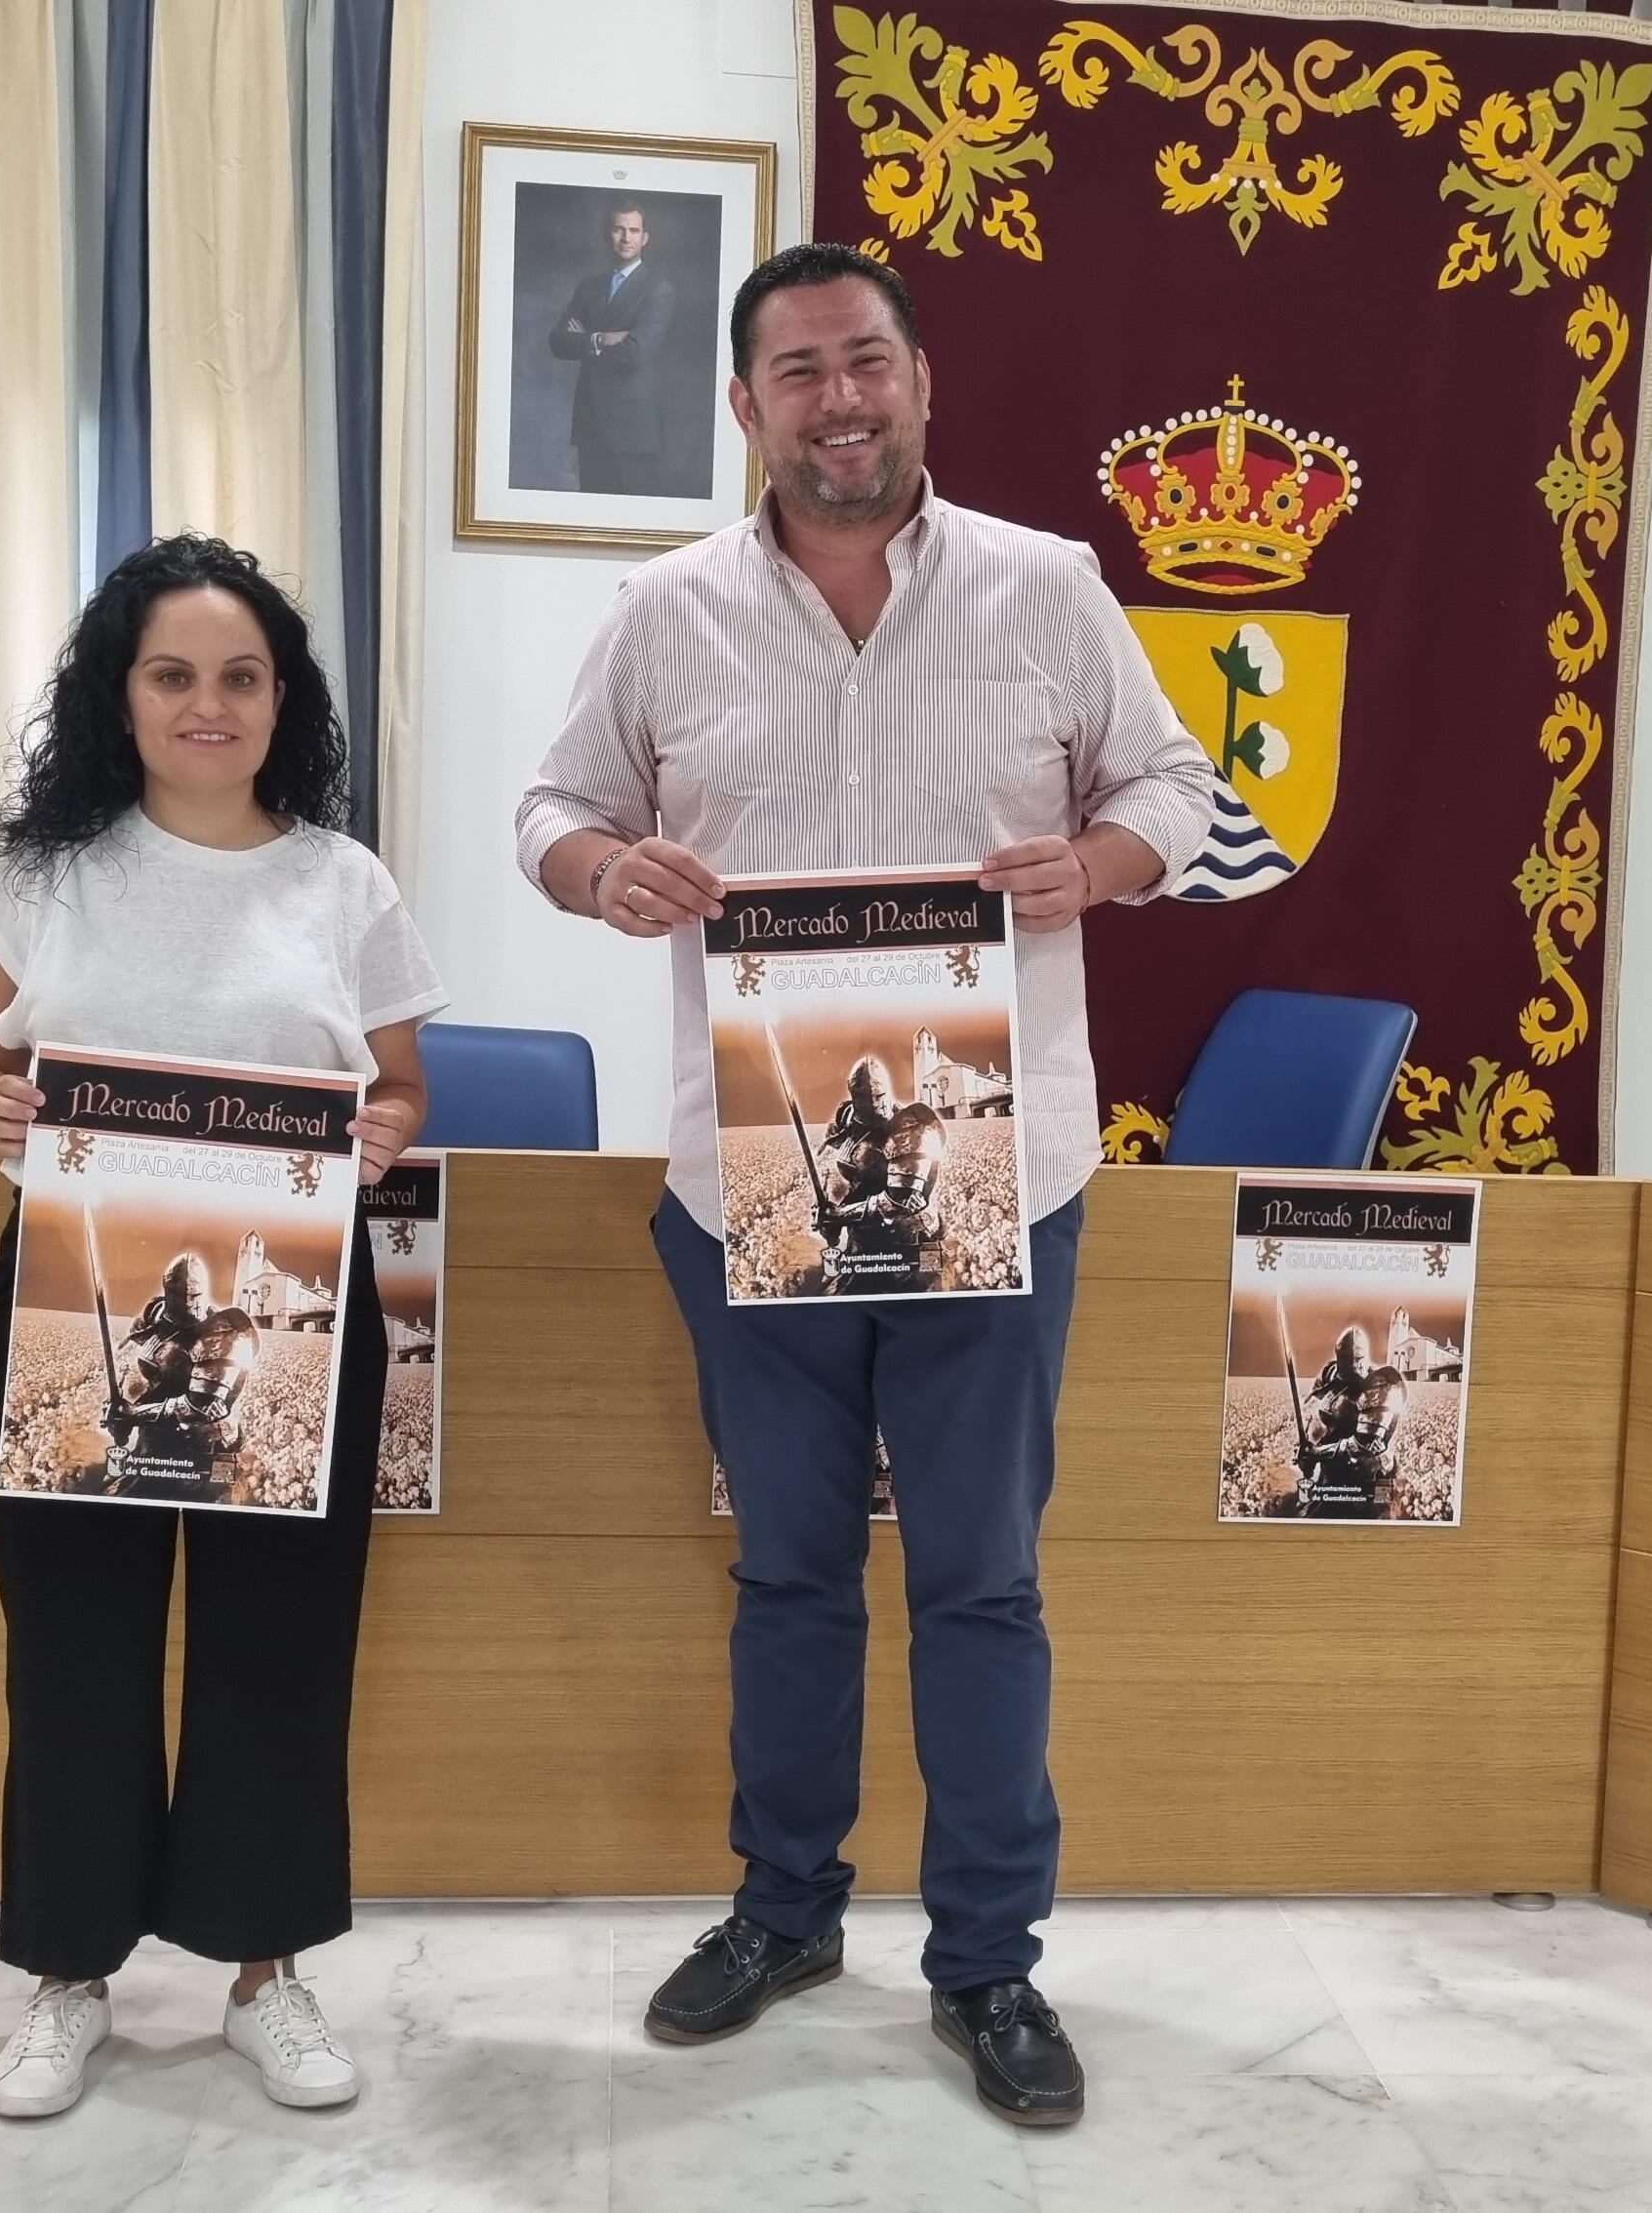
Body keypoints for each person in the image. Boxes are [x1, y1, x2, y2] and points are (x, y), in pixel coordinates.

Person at [515, 241, 1220, 2126]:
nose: (840, 396)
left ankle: (988, 1961)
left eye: (868, 360)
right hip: (751, 1171)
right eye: (799, 371)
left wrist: (1108, 865)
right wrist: (605, 872)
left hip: (998, 1168)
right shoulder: (664, 613)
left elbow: (1176, 786)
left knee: (981, 1581)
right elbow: (549, 808)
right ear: (742, 407)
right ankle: (784, 1906)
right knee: (790, 1571)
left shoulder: (1045, 586)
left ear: (921, 382)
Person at [0, 533, 445, 2123]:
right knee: (74, 1648)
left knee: (276, 1653)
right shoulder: (41, 874)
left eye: (241, 675)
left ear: (280, 698)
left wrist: (386, 1134)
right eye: (173, 674)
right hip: (68, 1304)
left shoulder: (341, 882)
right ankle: (68, 1975)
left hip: (291, 1329)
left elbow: (405, 1086)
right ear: (122, 691)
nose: (208, 703)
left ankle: (261, 1967)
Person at [96, 1253, 262, 1501]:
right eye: (175, 1293)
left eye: (192, 1295)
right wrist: (120, 1408)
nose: (184, 1301)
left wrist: (132, 1414)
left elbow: (198, 1406)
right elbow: (140, 1368)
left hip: (204, 1444)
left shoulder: (222, 1335)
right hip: (156, 1433)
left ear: (203, 1292)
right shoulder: (156, 1313)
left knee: (201, 1502)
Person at [545, 202, 680, 495]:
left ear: (645, 237)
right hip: (591, 423)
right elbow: (558, 341)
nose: (626, 237)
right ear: (609, 234)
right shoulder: (589, 287)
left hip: (633, 430)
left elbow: (636, 353)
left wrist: (585, 340)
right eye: (619, 229)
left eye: (633, 230)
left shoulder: (658, 289)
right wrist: (601, 339)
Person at [811, 1051, 943, 1293]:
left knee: (918, 1300)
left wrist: (837, 1215)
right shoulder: (846, 1118)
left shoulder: (912, 1130)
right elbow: (840, 1172)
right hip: (862, 1230)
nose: (872, 1103)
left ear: (888, 1091)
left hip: (909, 1234)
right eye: (863, 1097)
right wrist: (826, 1210)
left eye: (878, 1096)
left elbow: (895, 1204)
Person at [1290, 1324, 1403, 1519]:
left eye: (1357, 1359)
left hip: (1370, 1473)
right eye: (1345, 1359)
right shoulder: (1330, 1374)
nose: (1353, 1364)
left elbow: (1361, 1445)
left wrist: (1316, 1453)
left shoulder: (1381, 1386)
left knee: (1372, 1525)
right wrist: (1305, 1449)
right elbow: (1315, 1415)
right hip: (1333, 1468)